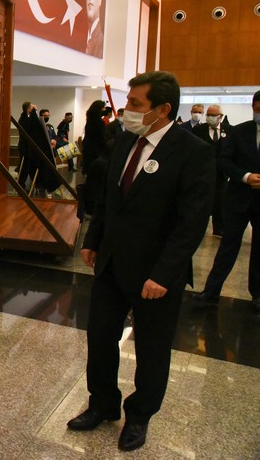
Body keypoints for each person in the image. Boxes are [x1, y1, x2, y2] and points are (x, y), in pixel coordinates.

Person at [68, 71, 214, 451]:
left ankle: (139, 416)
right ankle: (102, 403)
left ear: (162, 109)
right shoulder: (126, 142)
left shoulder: (192, 151)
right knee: (99, 336)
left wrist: (165, 274)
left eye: (136, 104)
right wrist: (93, 239)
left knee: (151, 350)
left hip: (155, 275)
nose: (127, 110)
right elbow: (109, 198)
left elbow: (191, 222)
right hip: (112, 264)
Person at [192, 91, 260, 310]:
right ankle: (212, 290)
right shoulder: (240, 132)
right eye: (258, 109)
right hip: (238, 196)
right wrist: (245, 176)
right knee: (228, 245)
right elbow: (224, 160)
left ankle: (257, 294)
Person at [191, 105, 232, 236]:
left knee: (220, 202)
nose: (210, 117)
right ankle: (197, 228)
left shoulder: (230, 131)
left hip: (221, 174)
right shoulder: (198, 130)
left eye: (213, 115)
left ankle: (219, 228)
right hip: (203, 172)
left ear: (220, 116)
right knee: (201, 202)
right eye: (208, 114)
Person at [82, 100, 107, 176]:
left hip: (88, 148)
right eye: (103, 108)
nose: (105, 110)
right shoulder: (99, 122)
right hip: (96, 150)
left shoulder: (89, 120)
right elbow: (101, 137)